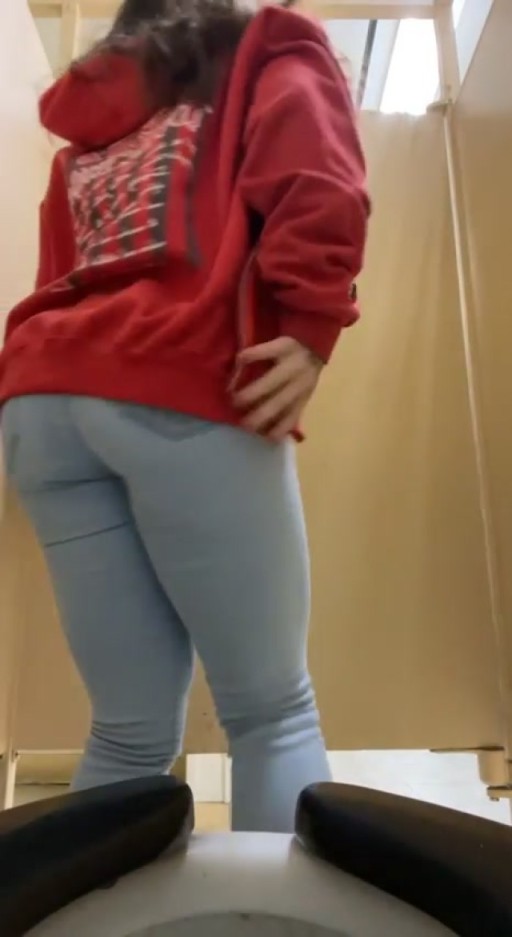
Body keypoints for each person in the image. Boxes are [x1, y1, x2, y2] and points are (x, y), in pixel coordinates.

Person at [0, 0, 369, 832]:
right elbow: (318, 172)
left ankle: (97, 898)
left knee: (126, 730)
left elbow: (62, 269)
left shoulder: (90, 131)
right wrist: (311, 323)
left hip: (41, 401)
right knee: (273, 713)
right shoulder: (269, 52)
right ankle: (279, 908)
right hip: (174, 374)